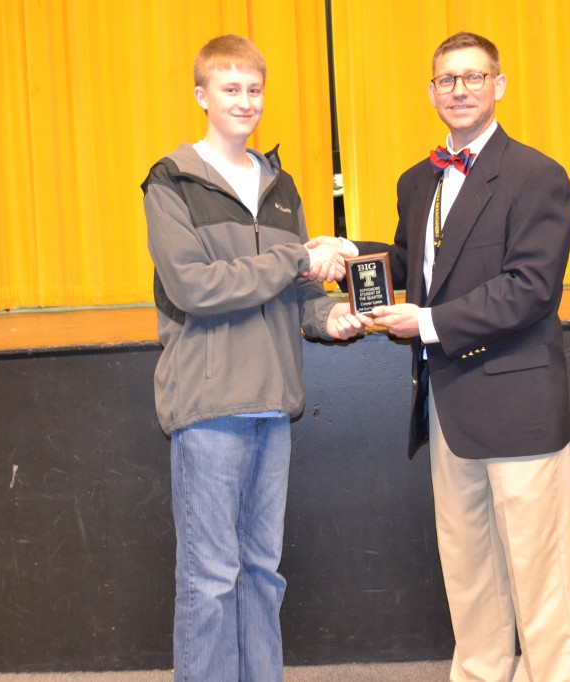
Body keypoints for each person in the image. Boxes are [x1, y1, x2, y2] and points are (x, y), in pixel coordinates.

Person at [314, 31, 570, 681]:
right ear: (432, 92)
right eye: (446, 80)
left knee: (538, 572)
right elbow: (411, 263)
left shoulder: (538, 176)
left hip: (517, 405)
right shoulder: (418, 181)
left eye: (473, 77)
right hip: (446, 403)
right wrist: (348, 252)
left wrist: (427, 323)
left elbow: (530, 288)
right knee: (468, 568)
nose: (459, 90)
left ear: (499, 85)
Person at [140, 35, 369, 682]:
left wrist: (330, 317)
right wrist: (298, 258)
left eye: (254, 89)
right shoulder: (171, 181)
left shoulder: (280, 185)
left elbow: (297, 294)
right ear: (201, 95)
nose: (245, 101)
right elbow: (195, 288)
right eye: (230, 88)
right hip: (209, 403)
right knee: (210, 577)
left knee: (262, 572)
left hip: (274, 402)